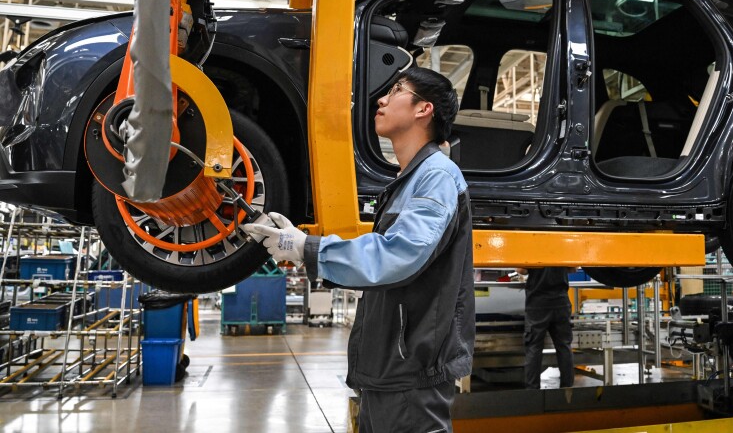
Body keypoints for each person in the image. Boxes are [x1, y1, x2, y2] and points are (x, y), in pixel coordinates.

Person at [242, 67, 474, 433]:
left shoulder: (437, 176)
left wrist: (308, 249)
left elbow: (399, 255)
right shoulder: (410, 178)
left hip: (410, 372)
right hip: (389, 368)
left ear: (423, 109)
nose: (381, 99)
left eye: (397, 90)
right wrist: (303, 244)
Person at [515, 267, 574, 389]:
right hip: (561, 301)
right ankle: (567, 390)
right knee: (564, 346)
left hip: (538, 302)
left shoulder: (532, 247)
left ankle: (532, 392)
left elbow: (521, 270)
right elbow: (573, 268)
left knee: (534, 347)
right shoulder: (563, 247)